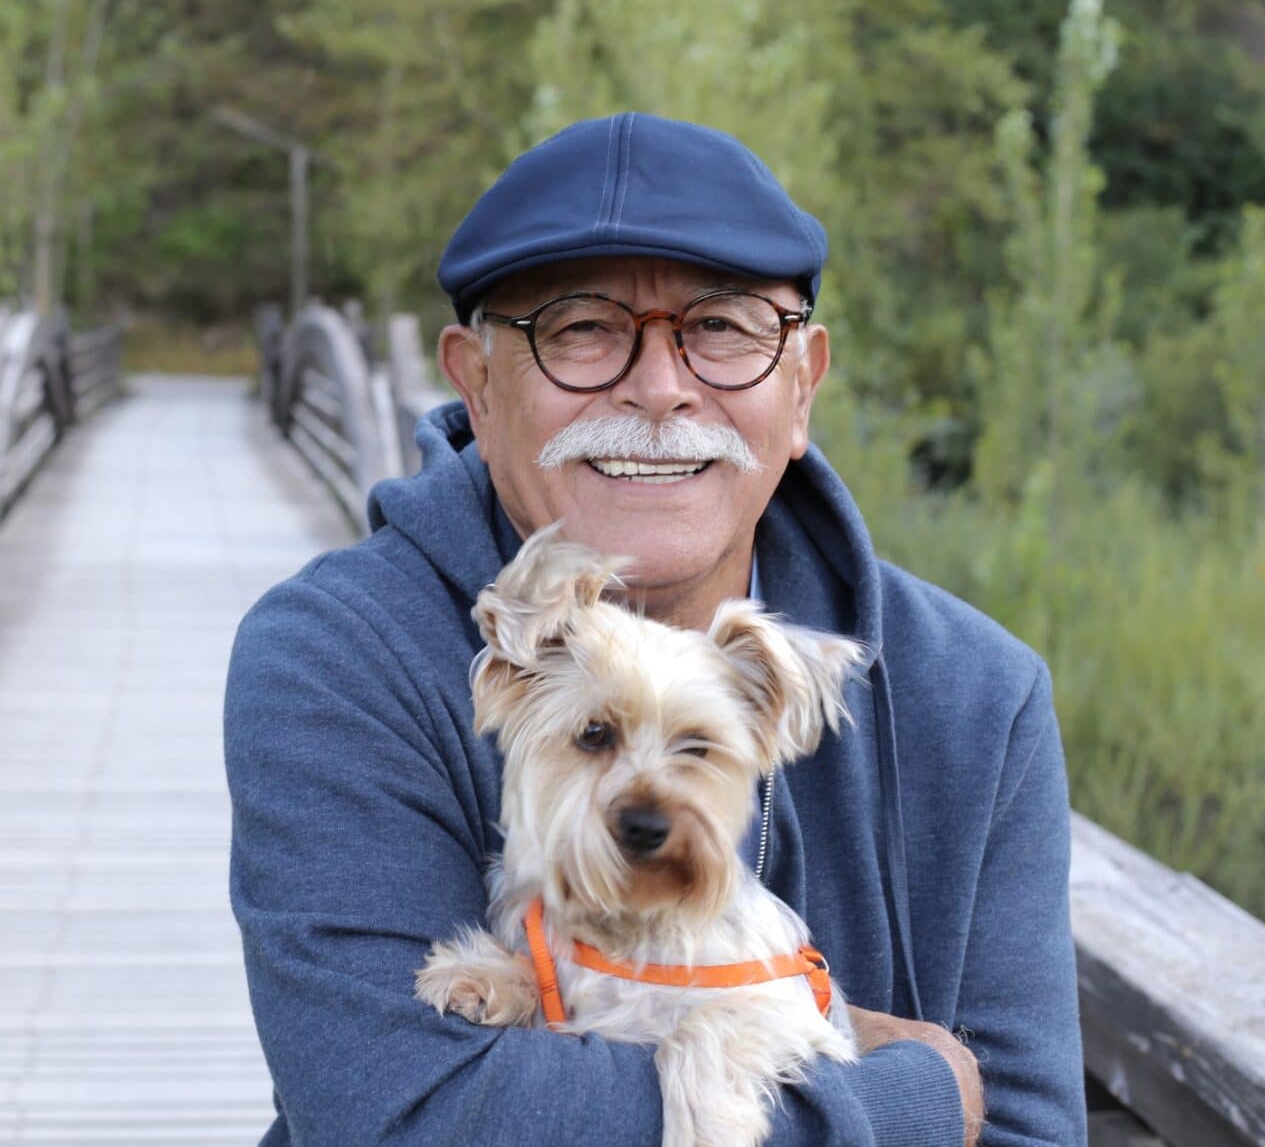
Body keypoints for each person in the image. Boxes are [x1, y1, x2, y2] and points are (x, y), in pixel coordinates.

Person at [224, 112, 1086, 1146]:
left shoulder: (978, 693)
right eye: (582, 327)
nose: (661, 388)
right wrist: (921, 1098)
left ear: (802, 383)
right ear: (477, 385)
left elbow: (1029, 1128)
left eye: (721, 328)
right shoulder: (337, 657)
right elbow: (401, 1115)